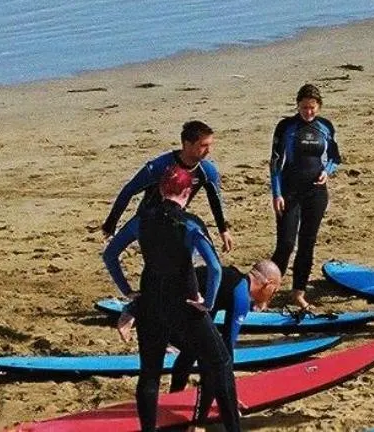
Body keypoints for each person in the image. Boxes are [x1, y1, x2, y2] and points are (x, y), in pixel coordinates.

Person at [106, 201, 240, 432]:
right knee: (220, 361)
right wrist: (207, 302)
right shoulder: (188, 224)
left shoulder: (142, 220)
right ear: (187, 192)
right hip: (185, 304)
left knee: (149, 373)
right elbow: (215, 268)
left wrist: (127, 291)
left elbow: (110, 255)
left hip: (150, 302)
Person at [165, 259, 281, 424]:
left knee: (195, 350)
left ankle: (173, 398)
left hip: (164, 301)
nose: (271, 297)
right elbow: (226, 350)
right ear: (268, 284)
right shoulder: (241, 295)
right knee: (214, 360)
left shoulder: (231, 278)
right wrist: (229, 396)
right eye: (274, 291)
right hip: (172, 311)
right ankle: (199, 422)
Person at [102, 120, 234, 253]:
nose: (209, 151)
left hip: (175, 220)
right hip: (146, 221)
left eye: (210, 145)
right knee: (111, 254)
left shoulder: (206, 171)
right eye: (203, 145)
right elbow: (129, 190)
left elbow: (215, 200)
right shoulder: (159, 167)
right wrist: (110, 224)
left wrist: (223, 231)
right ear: (187, 144)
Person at [268, 83, 341, 312]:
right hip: (289, 191)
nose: (307, 112)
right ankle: (267, 292)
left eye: (312, 108)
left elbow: (335, 158)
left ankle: (298, 292)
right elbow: (275, 163)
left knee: (307, 242)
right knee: (286, 244)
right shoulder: (286, 127)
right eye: (303, 107)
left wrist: (326, 172)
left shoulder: (325, 127)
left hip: (316, 193)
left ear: (318, 107)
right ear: (297, 105)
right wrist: (277, 193)